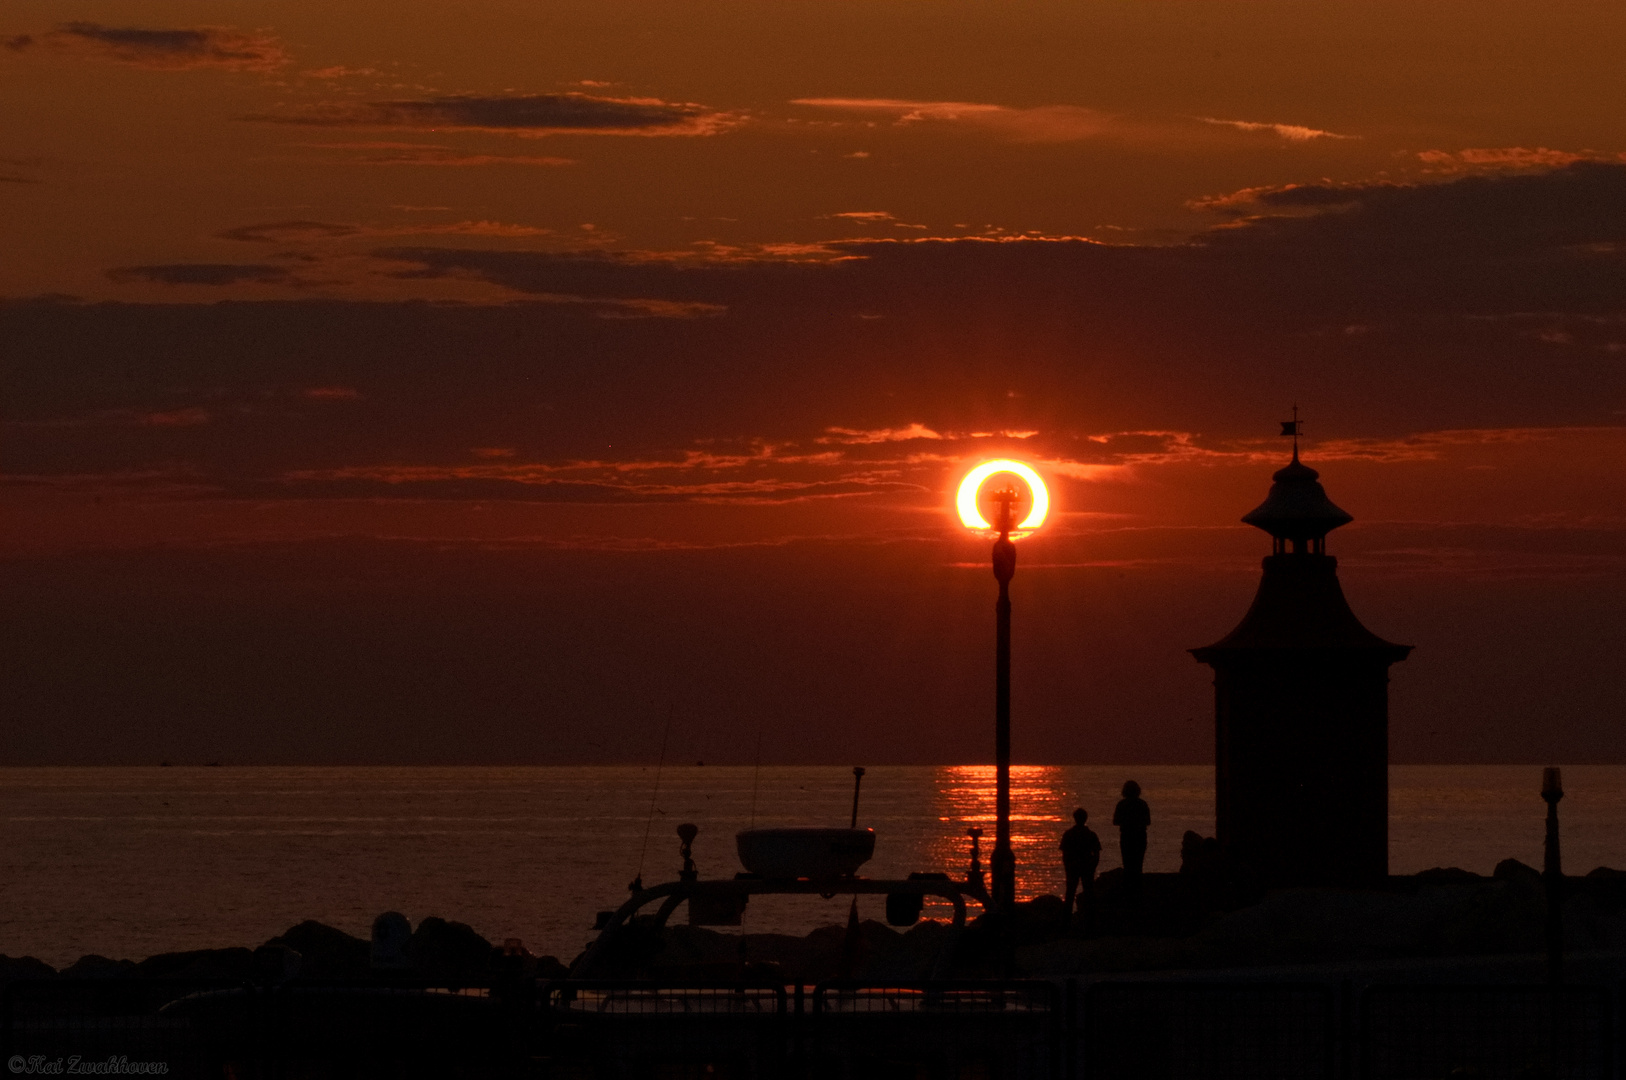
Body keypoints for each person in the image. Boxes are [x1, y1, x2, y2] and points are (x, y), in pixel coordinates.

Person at [1059, 808, 1102, 916]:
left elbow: (1065, 853)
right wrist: (1093, 866)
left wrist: (1068, 866)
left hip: (1074, 866)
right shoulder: (1091, 835)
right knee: (1088, 892)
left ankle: (1067, 918)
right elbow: (1096, 854)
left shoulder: (1069, 834)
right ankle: (1089, 918)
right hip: (1086, 866)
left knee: (1070, 892)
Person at [1112, 780, 1151, 884]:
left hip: (1127, 837)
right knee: (1138, 864)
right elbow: (1148, 821)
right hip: (1140, 837)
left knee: (1128, 864)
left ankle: (1129, 888)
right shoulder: (1142, 804)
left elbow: (1115, 821)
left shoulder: (1122, 804)